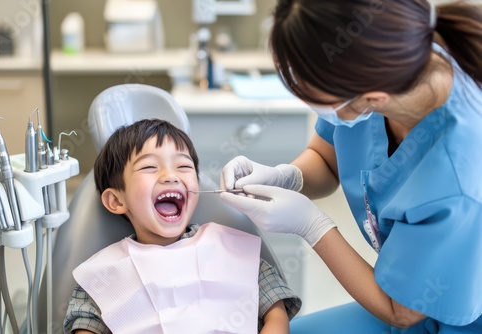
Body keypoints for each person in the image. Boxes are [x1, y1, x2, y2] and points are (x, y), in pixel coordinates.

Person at [219, 0, 482, 333]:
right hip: (401, 298)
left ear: (373, 98)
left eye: (313, 95)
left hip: (444, 314)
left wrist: (311, 226)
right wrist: (287, 177)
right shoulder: (374, 77)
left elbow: (401, 312)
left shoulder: (460, 174)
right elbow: (326, 161)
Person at [63, 119, 301, 334]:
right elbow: (85, 325)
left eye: (184, 167)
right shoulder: (105, 273)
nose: (171, 176)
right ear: (116, 201)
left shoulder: (229, 247)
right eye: (149, 167)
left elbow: (275, 310)